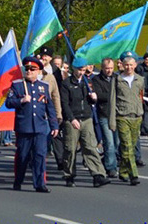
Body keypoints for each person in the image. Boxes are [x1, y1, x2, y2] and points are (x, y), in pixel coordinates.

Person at [7, 57, 59, 193]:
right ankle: (18, 179)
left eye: (32, 69)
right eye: (27, 69)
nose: (29, 71)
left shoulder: (44, 86)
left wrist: (54, 125)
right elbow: (9, 102)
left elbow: (50, 107)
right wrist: (21, 100)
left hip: (40, 127)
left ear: (38, 71)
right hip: (24, 127)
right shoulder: (17, 84)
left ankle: (39, 183)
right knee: (23, 156)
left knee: (40, 155)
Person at [60, 57, 110, 188]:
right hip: (73, 119)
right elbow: (64, 104)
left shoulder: (87, 83)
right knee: (70, 148)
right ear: (73, 69)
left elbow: (90, 101)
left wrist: (93, 98)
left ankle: (98, 175)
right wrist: (71, 119)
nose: (81, 72)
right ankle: (69, 175)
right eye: (78, 70)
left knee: (90, 147)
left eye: (83, 69)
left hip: (86, 118)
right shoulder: (66, 84)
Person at [110, 51, 144, 185]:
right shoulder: (116, 79)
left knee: (131, 145)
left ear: (135, 65)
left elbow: (140, 97)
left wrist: (141, 113)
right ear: (122, 66)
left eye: (131, 65)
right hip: (122, 116)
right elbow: (112, 100)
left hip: (136, 116)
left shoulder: (140, 80)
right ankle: (133, 174)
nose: (129, 67)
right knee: (127, 145)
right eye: (126, 65)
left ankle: (123, 171)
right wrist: (112, 121)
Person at [91, 58, 119, 178]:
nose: (109, 70)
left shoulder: (117, 78)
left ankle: (106, 160)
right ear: (102, 68)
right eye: (107, 68)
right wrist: (112, 95)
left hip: (116, 114)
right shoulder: (96, 80)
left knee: (117, 142)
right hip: (104, 114)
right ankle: (111, 167)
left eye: (111, 68)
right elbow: (99, 95)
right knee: (109, 142)